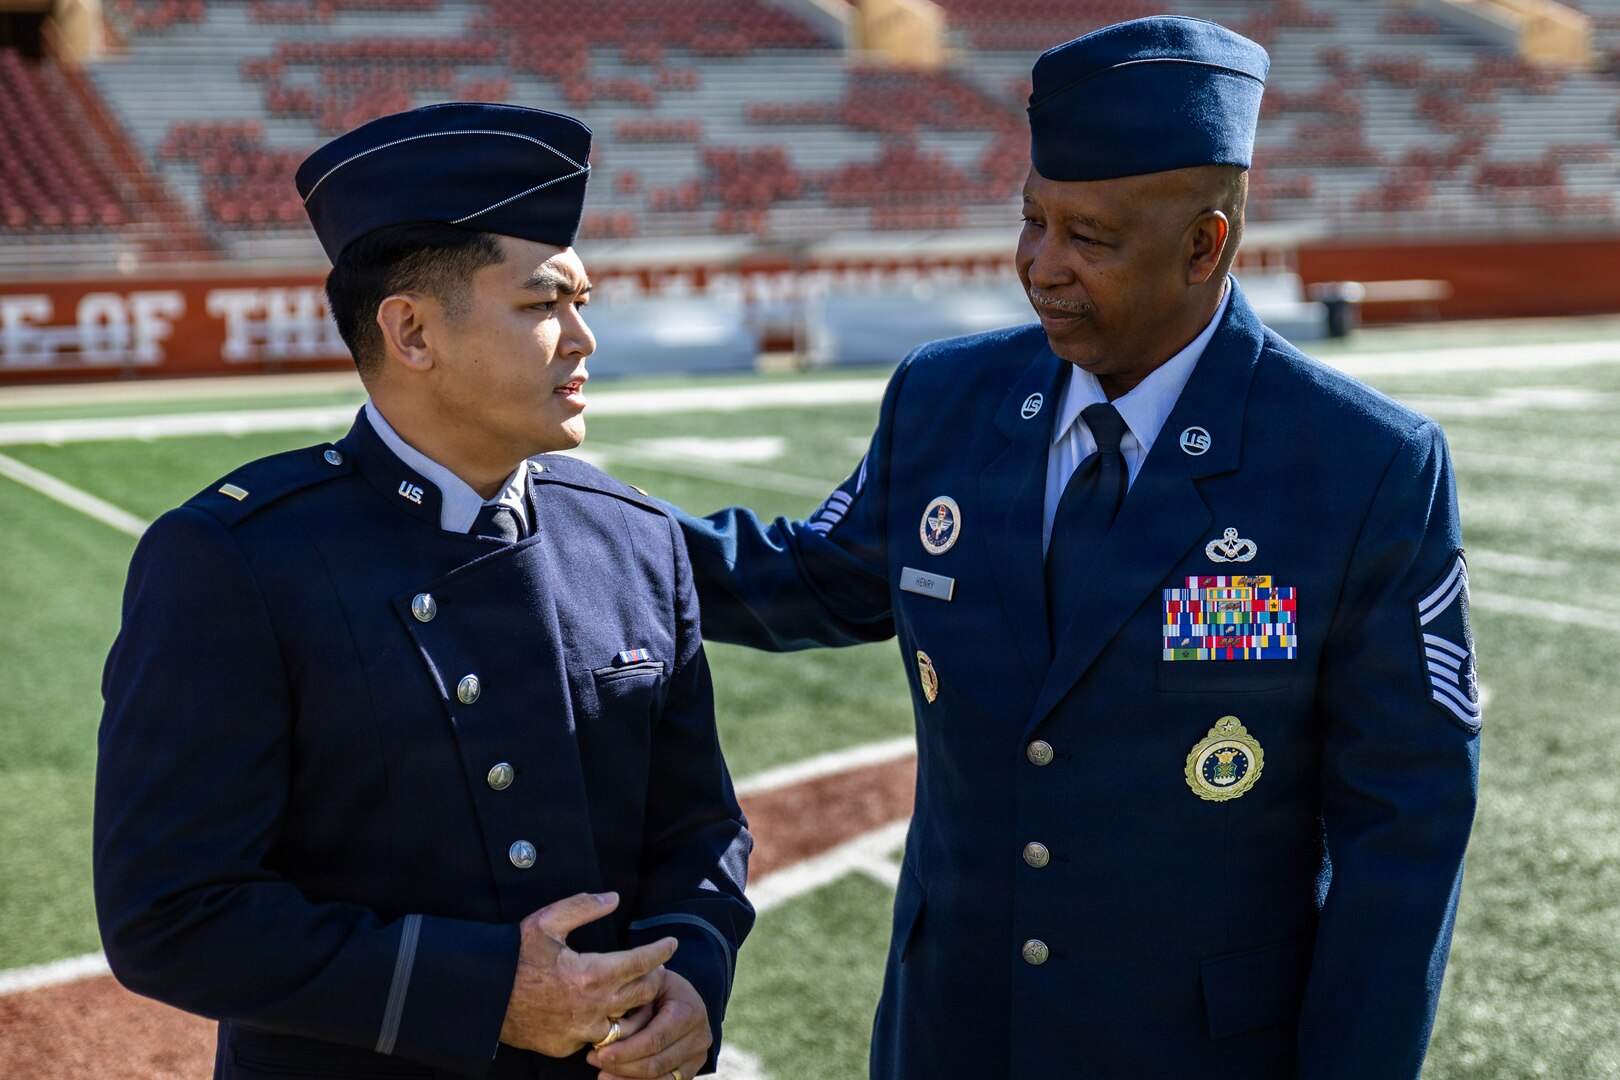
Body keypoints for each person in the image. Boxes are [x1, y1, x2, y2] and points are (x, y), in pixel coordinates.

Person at [668, 17, 1478, 1079]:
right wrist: (585, 523)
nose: (1039, 266)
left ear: (1205, 245)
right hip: (948, 1035)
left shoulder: (1361, 466)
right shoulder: (946, 398)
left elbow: (1403, 837)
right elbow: (812, 578)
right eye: (1033, 221)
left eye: (1088, 237)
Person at [94, 103, 752, 1080]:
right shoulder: (234, 560)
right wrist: (486, 991)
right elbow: (170, 911)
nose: (583, 340)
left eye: (580, 302)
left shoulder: (634, 537)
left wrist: (697, 972)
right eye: (542, 306)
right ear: (410, 332)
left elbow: (699, 828)